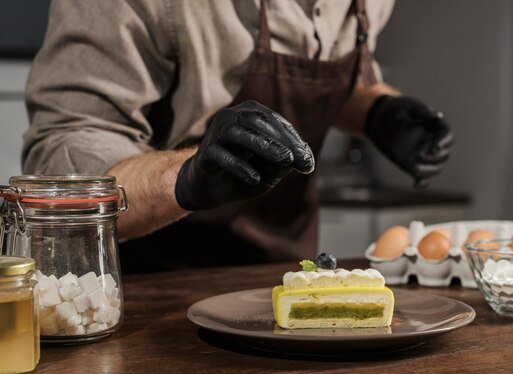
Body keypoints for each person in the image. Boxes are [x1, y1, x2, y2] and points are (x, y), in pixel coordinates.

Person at [23, 0, 453, 273]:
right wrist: (185, 177)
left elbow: (330, 82)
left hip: (280, 277)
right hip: (148, 289)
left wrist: (376, 112)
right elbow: (64, 150)